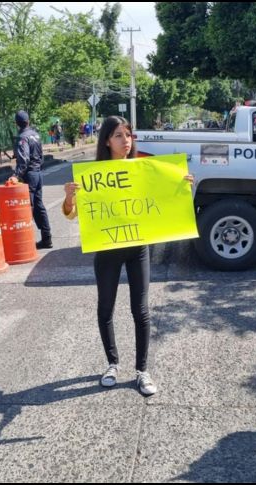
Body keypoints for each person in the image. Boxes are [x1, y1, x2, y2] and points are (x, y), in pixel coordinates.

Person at [61, 115, 194, 396]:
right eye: (119, 135)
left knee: (141, 310)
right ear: (107, 141)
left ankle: (142, 371)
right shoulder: (93, 176)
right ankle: (112, 364)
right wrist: (69, 198)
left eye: (129, 134)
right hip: (107, 249)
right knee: (105, 309)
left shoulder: (143, 169)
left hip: (138, 249)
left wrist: (181, 186)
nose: (126, 140)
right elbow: (72, 214)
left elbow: (161, 200)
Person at [8, 110, 52, 249]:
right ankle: (47, 238)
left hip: (29, 175)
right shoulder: (35, 135)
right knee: (39, 206)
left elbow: (24, 159)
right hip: (38, 173)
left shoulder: (22, 137)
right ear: (28, 121)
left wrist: (16, 175)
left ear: (16, 123)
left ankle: (25, 242)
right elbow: (41, 156)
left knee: (27, 208)